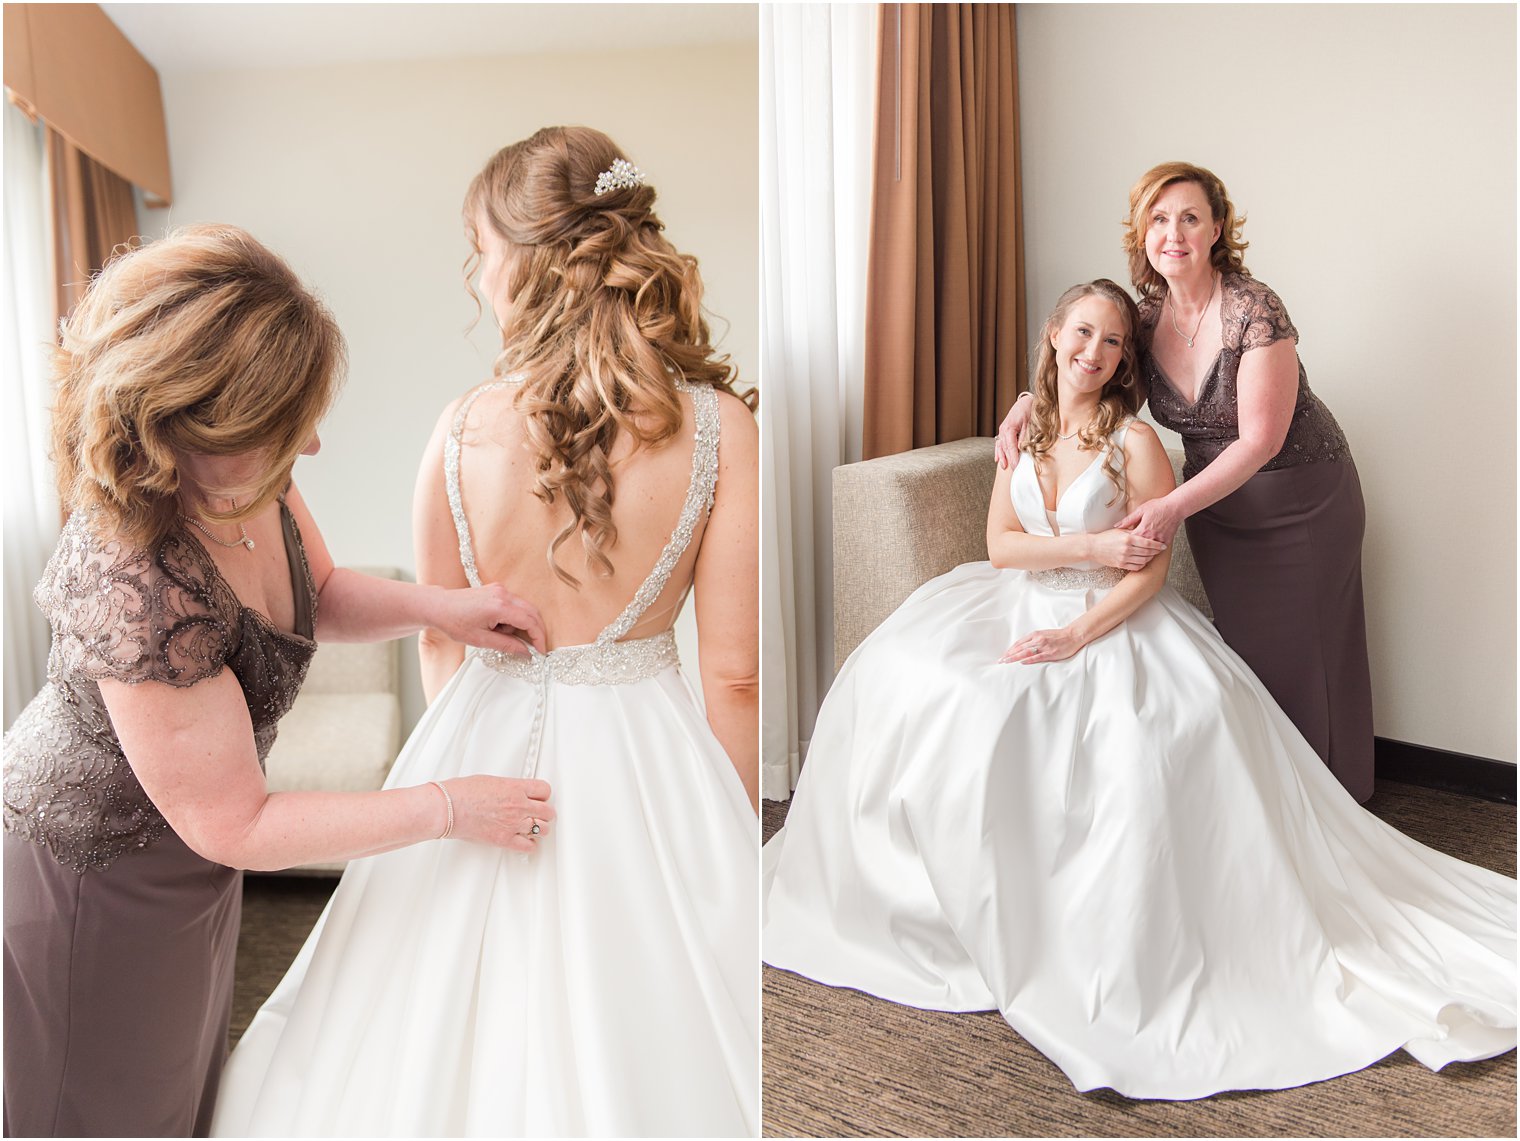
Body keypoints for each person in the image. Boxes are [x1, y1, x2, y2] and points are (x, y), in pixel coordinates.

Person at [762, 279, 1515, 1100]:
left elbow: (1149, 571)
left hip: (1113, 622)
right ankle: (930, 910)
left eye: (1115, 342)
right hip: (1014, 599)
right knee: (910, 678)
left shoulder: (1136, 441)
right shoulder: (1028, 428)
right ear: (1054, 334)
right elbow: (1000, 545)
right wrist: (1085, 553)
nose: (1095, 351)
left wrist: (1078, 633)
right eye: (1083, 332)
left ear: (1126, 359)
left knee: (1125, 734)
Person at [212, 127, 760, 1137]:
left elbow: (439, 634)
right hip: (647, 754)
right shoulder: (719, 425)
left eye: (481, 246)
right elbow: (732, 674)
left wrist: (459, 749)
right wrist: (727, 837)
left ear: (529, 255)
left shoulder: (461, 424)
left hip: (479, 734)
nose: (476, 274)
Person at [3, 225, 555, 1137]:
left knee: (180, 1088)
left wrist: (444, 608)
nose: (309, 450)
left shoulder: (253, 475)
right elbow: (242, 822)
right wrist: (451, 805)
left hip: (191, 858)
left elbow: (322, 591)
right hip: (91, 881)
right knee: (97, 1105)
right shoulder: (138, 581)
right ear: (170, 421)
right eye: (271, 429)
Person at [998, 162, 1374, 802]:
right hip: (1216, 508)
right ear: (1143, 233)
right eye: (1159, 218)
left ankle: (1338, 803)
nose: (1174, 233)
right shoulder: (1144, 321)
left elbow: (1261, 440)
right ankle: (1271, 803)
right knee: (1250, 654)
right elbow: (1092, 366)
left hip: (1300, 498)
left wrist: (1170, 506)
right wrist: (1030, 400)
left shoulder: (1255, 307)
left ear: (1216, 230)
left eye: (1190, 218)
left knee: (1313, 651)